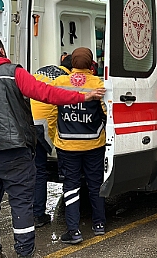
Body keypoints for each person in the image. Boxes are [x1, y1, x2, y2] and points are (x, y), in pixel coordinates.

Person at [0, 34, 105, 258]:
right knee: (21, 203)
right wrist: (85, 97)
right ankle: (24, 252)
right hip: (15, 151)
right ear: (2, 50)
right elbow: (46, 93)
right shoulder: (14, 73)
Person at [51, 47, 107, 245]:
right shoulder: (97, 83)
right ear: (91, 64)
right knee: (95, 184)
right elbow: (106, 112)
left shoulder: (59, 82)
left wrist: (53, 137)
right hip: (93, 143)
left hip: (67, 145)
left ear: (71, 63)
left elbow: (52, 111)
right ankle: (99, 224)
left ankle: (73, 231)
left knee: (71, 186)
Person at [29, 55, 72, 229]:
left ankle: (27, 212)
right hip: (42, 127)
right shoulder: (65, 79)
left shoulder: (41, 71)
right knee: (40, 171)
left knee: (29, 169)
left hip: (26, 121)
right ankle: (38, 214)